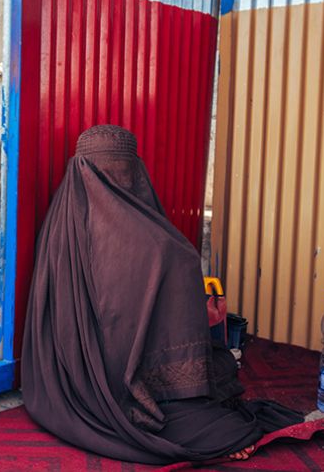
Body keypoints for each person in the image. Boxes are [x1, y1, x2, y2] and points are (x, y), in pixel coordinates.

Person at [21, 125, 302, 465]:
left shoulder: (59, 223)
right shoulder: (163, 248)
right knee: (217, 404)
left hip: (74, 374)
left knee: (221, 370)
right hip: (131, 378)